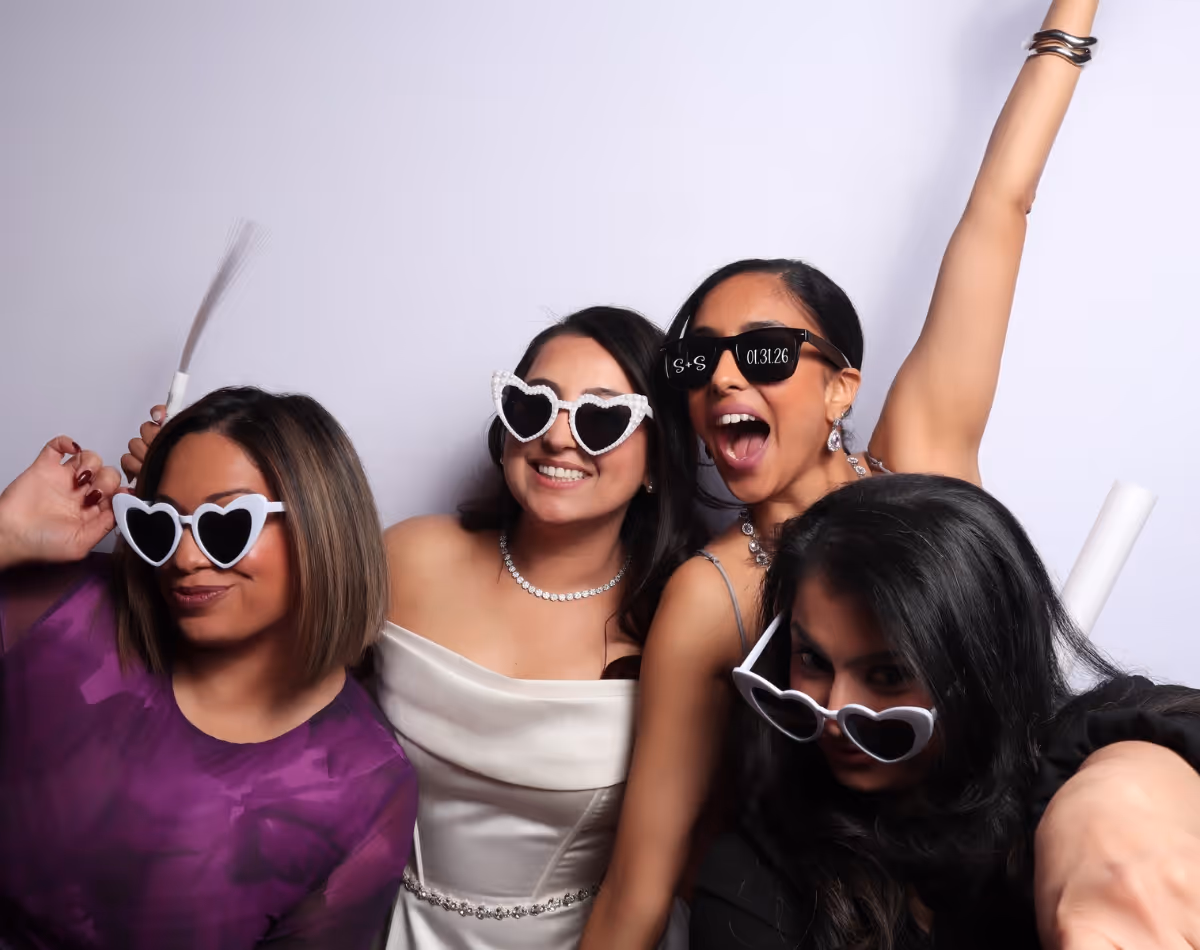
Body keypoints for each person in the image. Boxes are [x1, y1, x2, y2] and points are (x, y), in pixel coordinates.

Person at [582, 1, 1200, 946]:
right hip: (851, 907)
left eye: (767, 355)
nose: (724, 379)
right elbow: (642, 879)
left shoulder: (920, 453)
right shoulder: (711, 597)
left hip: (1022, 834)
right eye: (698, 362)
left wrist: (1067, 20)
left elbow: (1001, 205)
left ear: (842, 388)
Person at [124, 308, 699, 949]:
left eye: (601, 418)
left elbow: (649, 883)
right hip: (371, 928)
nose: (558, 439)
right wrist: (177, 512)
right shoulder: (409, 558)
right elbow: (257, 669)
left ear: (656, 461)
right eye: (533, 406)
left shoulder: (675, 625)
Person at [688, 474, 1200, 949]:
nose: (833, 711)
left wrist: (1115, 803)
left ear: (983, 668)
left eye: (887, 675)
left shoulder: (1080, 748)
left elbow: (1151, 729)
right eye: (813, 660)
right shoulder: (752, 881)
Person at [0, 387, 417, 949]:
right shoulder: (64, 609)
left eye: (226, 526)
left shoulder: (364, 783)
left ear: (321, 526)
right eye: (161, 525)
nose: (186, 558)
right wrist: (4, 536)